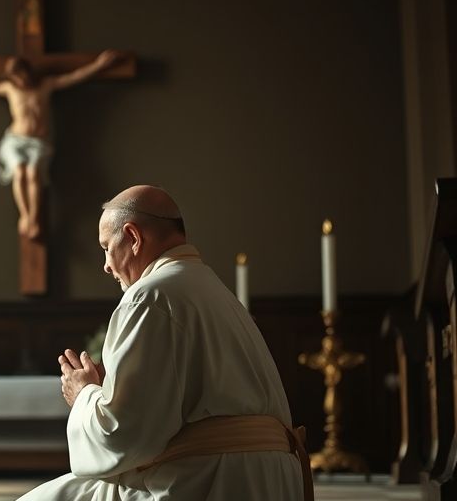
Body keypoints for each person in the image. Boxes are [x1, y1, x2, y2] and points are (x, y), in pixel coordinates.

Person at [19, 185, 312, 501]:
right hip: (269, 479)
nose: (106, 265)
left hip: (207, 480)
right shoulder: (216, 291)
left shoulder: (149, 297)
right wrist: (117, 390)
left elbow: (124, 436)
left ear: (133, 238)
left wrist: (85, 394)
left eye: (106, 247)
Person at [0, 51, 119, 239]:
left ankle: (33, 218)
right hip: (15, 140)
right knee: (20, 171)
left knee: (33, 174)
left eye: (22, 76)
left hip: (38, 143)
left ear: (28, 73)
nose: (20, 81)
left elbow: (73, 77)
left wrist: (99, 65)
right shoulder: (11, 89)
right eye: (16, 78)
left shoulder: (45, 86)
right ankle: (25, 216)